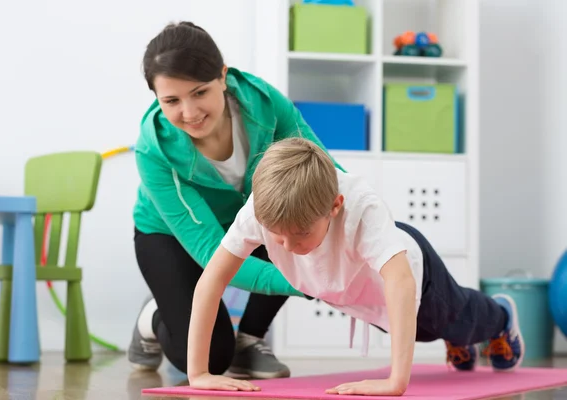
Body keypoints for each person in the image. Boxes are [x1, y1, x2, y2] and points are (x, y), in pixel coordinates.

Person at [186, 138, 525, 396]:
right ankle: (459, 340)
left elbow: (401, 283)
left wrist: (395, 381)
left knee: (449, 320)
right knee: (424, 332)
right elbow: (211, 282)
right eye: (277, 237)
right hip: (357, 289)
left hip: (411, 272)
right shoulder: (262, 207)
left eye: (300, 234)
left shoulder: (362, 208)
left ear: (335, 207)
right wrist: (198, 373)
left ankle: (501, 318)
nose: (287, 247)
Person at [128, 21, 341, 379]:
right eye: (171, 101)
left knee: (301, 220)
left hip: (247, 223)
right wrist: (308, 283)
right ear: (156, 98)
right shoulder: (154, 150)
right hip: (171, 238)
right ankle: (155, 316)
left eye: (199, 93)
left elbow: (322, 172)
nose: (190, 112)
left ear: (222, 76)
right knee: (210, 360)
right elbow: (211, 251)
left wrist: (362, 231)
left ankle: (250, 341)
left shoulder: (264, 103)